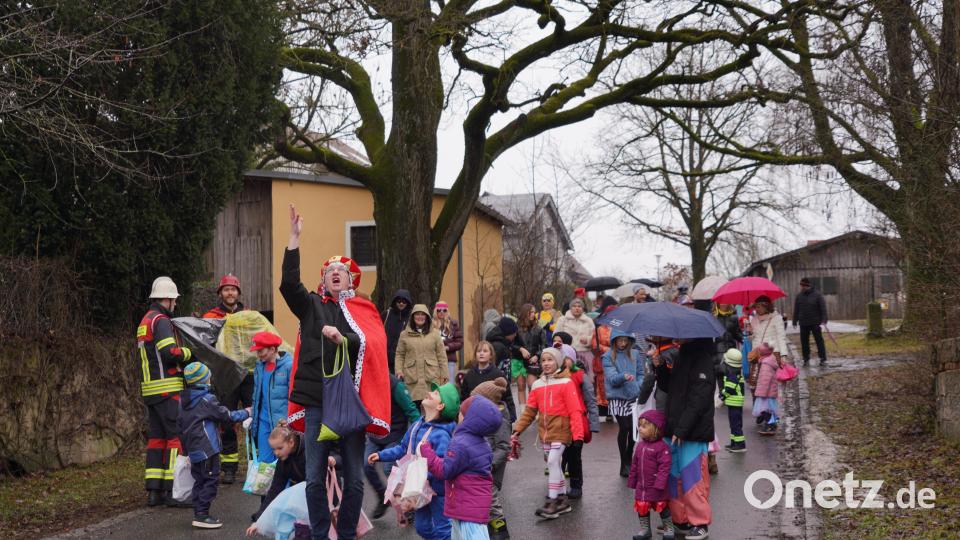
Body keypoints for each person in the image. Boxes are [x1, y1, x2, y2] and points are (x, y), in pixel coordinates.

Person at [281, 203, 391, 540]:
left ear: (350, 280)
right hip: (316, 399)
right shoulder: (311, 305)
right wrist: (294, 238)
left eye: (340, 270)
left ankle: (344, 534)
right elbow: (288, 285)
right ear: (323, 279)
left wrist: (342, 338)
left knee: (355, 479)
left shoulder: (364, 310)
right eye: (329, 270)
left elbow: (373, 348)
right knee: (314, 477)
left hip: (351, 402)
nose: (334, 273)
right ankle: (318, 534)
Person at [370, 383, 460, 540]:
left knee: (443, 529)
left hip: (438, 492)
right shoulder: (418, 424)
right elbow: (403, 448)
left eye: (436, 393)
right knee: (422, 528)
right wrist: (381, 455)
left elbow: (442, 465)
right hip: (418, 489)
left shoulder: (442, 435)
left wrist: (424, 477)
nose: (430, 393)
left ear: (440, 406)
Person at [136, 276, 193, 507]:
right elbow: (170, 353)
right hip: (168, 389)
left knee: (156, 440)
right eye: (174, 300)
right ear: (168, 299)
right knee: (175, 439)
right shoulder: (161, 321)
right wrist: (190, 352)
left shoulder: (145, 320)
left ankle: (154, 491)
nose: (176, 305)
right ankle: (172, 491)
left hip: (151, 391)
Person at [512, 347, 585, 520]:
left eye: (550, 359)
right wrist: (517, 430)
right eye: (543, 360)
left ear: (558, 362)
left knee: (552, 461)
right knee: (554, 464)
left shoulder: (566, 382)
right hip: (545, 433)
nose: (546, 363)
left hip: (561, 430)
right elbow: (530, 412)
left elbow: (575, 410)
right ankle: (562, 501)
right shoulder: (537, 385)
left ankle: (552, 502)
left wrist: (578, 435)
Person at [177, 362, 251, 529]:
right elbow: (227, 416)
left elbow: (179, 427)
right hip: (207, 449)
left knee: (199, 480)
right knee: (210, 480)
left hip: (194, 449)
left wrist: (186, 451)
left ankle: (198, 511)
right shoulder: (207, 400)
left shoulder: (183, 401)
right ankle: (202, 515)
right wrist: (247, 412)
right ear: (204, 380)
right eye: (208, 376)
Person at [421, 395, 502, 540]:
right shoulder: (483, 443)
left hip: (466, 508)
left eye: (461, 412)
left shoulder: (460, 443)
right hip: (474, 507)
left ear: (468, 419)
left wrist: (426, 451)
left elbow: (444, 470)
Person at [202, 274, 253, 484]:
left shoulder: (249, 315)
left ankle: (256, 463)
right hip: (225, 376)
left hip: (248, 374)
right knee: (227, 419)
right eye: (226, 289)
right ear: (220, 293)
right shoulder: (210, 316)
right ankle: (229, 467)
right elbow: (205, 345)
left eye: (233, 289)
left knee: (255, 418)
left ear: (238, 293)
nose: (230, 293)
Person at [662, 339, 715, 540]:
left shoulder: (703, 359)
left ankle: (700, 522)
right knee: (674, 476)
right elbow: (670, 389)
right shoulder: (681, 356)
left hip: (692, 431)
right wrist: (660, 369)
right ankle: (680, 519)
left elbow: (698, 400)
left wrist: (682, 429)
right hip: (674, 429)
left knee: (693, 478)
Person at [366, 373, 421, 519]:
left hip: (394, 434)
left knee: (389, 468)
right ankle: (381, 496)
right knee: (366, 464)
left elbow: (411, 410)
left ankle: (409, 503)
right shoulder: (365, 384)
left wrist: (420, 432)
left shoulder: (395, 386)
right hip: (375, 435)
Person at [470, 379, 512, 540]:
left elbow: (503, 447)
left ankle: (500, 528)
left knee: (491, 496)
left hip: (491, 468)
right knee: (481, 498)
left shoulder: (500, 421)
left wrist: (490, 463)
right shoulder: (482, 416)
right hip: (479, 466)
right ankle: (487, 525)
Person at [558, 344, 599, 499]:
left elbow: (590, 400)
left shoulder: (580, 376)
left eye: (565, 358)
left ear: (572, 360)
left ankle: (576, 485)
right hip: (559, 423)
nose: (562, 361)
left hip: (577, 423)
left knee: (574, 456)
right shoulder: (552, 376)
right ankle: (557, 484)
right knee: (558, 457)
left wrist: (593, 423)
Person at [603, 329, 643, 478]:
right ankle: (624, 463)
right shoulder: (607, 356)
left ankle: (629, 457)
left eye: (626, 340)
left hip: (633, 394)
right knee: (625, 427)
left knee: (635, 429)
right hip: (617, 396)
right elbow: (612, 378)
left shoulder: (636, 354)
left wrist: (638, 385)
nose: (623, 343)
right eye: (620, 340)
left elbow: (641, 373)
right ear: (614, 340)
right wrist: (623, 376)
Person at [628, 409, 674, 540]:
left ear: (655, 428)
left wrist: (660, 483)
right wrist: (632, 481)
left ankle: (669, 529)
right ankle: (645, 529)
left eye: (644, 426)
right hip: (642, 486)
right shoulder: (640, 446)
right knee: (642, 508)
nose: (640, 429)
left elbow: (664, 467)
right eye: (639, 426)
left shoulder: (662, 447)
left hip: (656, 486)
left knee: (662, 507)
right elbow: (635, 465)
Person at [249, 332, 292, 465]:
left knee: (283, 460)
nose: (259, 355)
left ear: (273, 349)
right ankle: (266, 486)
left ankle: (284, 486)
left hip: (281, 421)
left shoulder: (289, 366)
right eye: (257, 351)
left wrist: (289, 418)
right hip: (263, 420)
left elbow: (293, 396)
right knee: (264, 460)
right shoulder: (259, 367)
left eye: (261, 351)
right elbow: (257, 394)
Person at [396, 303, 449, 406]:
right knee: (413, 411)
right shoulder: (404, 335)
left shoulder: (435, 334)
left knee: (431, 409)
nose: (420, 317)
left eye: (422, 314)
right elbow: (400, 355)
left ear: (427, 317)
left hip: (431, 380)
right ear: (412, 317)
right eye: (417, 314)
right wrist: (399, 370)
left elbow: (442, 357)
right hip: (411, 380)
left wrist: (445, 376)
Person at [460, 340, 517, 423]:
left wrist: (511, 415)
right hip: (474, 416)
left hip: (493, 416)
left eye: (485, 351)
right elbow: (464, 397)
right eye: (479, 351)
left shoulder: (498, 374)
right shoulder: (469, 375)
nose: (481, 353)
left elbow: (507, 396)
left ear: (491, 355)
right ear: (475, 355)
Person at [747, 296, 789, 394]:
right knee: (754, 383)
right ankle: (758, 407)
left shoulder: (776, 318)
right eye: (756, 307)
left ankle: (768, 407)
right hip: (757, 354)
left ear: (766, 306)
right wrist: (750, 333)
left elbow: (781, 337)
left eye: (759, 307)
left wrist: (783, 355)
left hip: (772, 355)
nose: (756, 309)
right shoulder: (754, 319)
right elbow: (753, 338)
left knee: (768, 384)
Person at [485, 318, 524, 421]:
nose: (515, 335)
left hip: (503, 384)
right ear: (507, 332)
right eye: (513, 333)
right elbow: (493, 366)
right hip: (499, 386)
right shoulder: (498, 347)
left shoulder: (503, 343)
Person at [591, 296, 618, 420]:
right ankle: (607, 412)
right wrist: (606, 349)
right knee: (602, 387)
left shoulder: (619, 327)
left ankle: (616, 410)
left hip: (617, 360)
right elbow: (594, 344)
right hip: (602, 360)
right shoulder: (599, 328)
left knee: (615, 384)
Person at [553, 298, 596, 378]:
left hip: (585, 354)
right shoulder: (563, 320)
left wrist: (587, 340)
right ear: (570, 308)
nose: (577, 308)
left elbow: (595, 337)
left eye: (579, 306)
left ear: (582, 308)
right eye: (574, 306)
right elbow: (555, 336)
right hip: (567, 355)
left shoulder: (588, 321)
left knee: (587, 379)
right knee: (569, 378)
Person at [793, 277, 828, 366]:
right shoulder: (799, 296)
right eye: (801, 286)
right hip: (803, 322)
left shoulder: (817, 295)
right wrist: (794, 320)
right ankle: (806, 358)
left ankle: (822, 358)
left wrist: (824, 320)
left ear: (807, 286)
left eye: (803, 286)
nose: (801, 288)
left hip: (815, 322)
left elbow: (823, 308)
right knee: (804, 341)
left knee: (819, 340)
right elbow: (796, 309)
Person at [516, 303, 546, 405]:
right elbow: (511, 344)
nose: (533, 314)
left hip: (532, 361)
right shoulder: (517, 328)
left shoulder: (538, 328)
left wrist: (537, 355)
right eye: (531, 312)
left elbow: (544, 345)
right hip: (519, 360)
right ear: (525, 313)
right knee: (520, 386)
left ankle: (532, 411)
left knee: (532, 385)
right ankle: (523, 413)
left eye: (534, 312)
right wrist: (520, 349)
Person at [719, 349, 747, 452]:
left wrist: (722, 396)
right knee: (734, 423)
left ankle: (740, 445)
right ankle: (734, 442)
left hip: (734, 403)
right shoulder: (736, 373)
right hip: (735, 403)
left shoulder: (732, 375)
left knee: (735, 424)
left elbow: (729, 389)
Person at [713, 304, 742, 396]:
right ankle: (722, 395)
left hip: (731, 350)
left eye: (726, 302)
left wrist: (746, 337)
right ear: (717, 303)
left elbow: (737, 334)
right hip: (717, 350)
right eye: (721, 302)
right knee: (720, 374)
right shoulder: (713, 317)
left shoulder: (733, 317)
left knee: (732, 375)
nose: (724, 304)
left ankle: (731, 397)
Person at [382, 289, 413, 374]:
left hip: (403, 359)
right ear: (395, 301)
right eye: (399, 301)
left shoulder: (411, 318)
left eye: (404, 301)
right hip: (385, 358)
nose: (401, 303)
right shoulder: (387, 314)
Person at [753, 343, 782, 435]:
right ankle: (772, 424)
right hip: (769, 391)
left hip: (766, 392)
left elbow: (765, 380)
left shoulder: (766, 364)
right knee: (769, 409)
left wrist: (762, 393)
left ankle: (770, 426)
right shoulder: (770, 359)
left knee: (765, 410)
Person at [433, 301, 464, 382]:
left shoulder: (453, 324)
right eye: (439, 310)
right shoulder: (430, 325)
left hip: (449, 359)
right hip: (434, 360)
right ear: (435, 311)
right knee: (435, 385)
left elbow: (460, 342)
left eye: (444, 310)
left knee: (449, 384)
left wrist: (448, 347)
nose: (441, 312)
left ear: (447, 311)